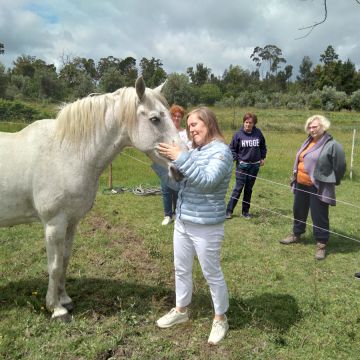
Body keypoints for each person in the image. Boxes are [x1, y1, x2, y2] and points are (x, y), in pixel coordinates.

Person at [152, 107, 233, 345]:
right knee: (181, 268)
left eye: (195, 124)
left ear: (208, 123)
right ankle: (181, 310)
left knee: (211, 273)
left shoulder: (222, 152)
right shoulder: (196, 152)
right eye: (189, 126)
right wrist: (160, 164)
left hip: (206, 226)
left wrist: (181, 157)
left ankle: (220, 318)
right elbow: (182, 187)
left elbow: (207, 182)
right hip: (183, 221)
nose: (190, 129)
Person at [279, 115, 346, 260]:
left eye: (314, 126)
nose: (311, 129)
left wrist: (333, 180)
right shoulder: (308, 141)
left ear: (323, 126)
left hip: (317, 186)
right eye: (309, 127)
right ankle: (296, 234)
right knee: (299, 210)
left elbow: (340, 166)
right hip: (301, 183)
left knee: (319, 214)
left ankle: (321, 244)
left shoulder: (332, 144)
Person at [225, 112, 267, 219]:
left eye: (250, 123)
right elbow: (232, 149)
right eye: (246, 122)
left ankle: (245, 212)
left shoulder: (258, 133)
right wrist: (238, 160)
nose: (248, 125)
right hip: (242, 166)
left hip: (254, 166)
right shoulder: (238, 134)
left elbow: (263, 146)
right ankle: (229, 211)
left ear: (254, 123)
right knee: (238, 188)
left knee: (249, 189)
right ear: (243, 122)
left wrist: (262, 157)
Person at [160, 104, 191, 226]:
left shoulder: (184, 133)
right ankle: (167, 215)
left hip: (180, 166)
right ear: (170, 116)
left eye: (179, 116)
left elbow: (188, 147)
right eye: (174, 115)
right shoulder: (165, 132)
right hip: (166, 164)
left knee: (178, 191)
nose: (177, 118)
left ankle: (177, 213)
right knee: (166, 190)